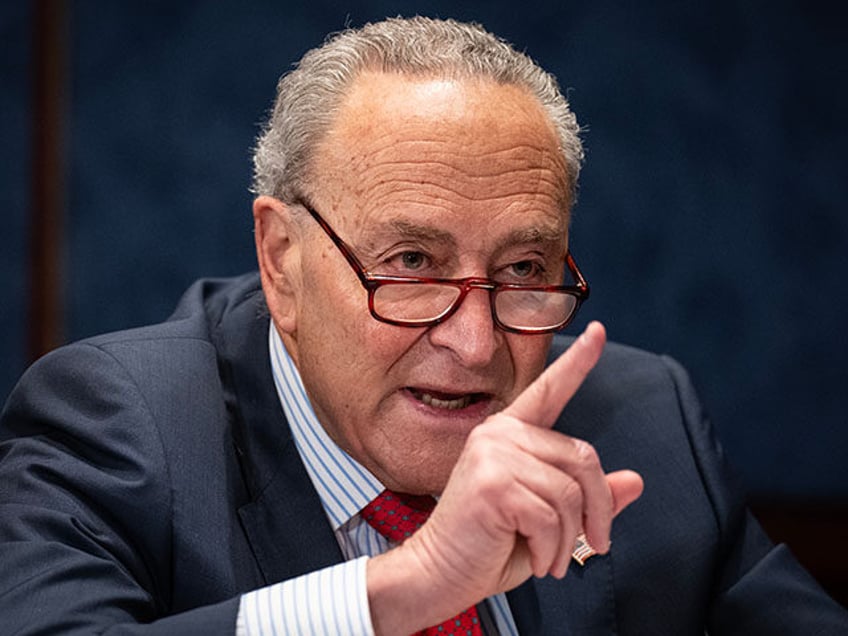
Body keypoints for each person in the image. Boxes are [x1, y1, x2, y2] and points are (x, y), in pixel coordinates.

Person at [1, 16, 845, 636]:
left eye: (522, 270)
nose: (476, 346)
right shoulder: (118, 424)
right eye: (410, 263)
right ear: (280, 259)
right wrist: (414, 583)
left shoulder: (643, 420)